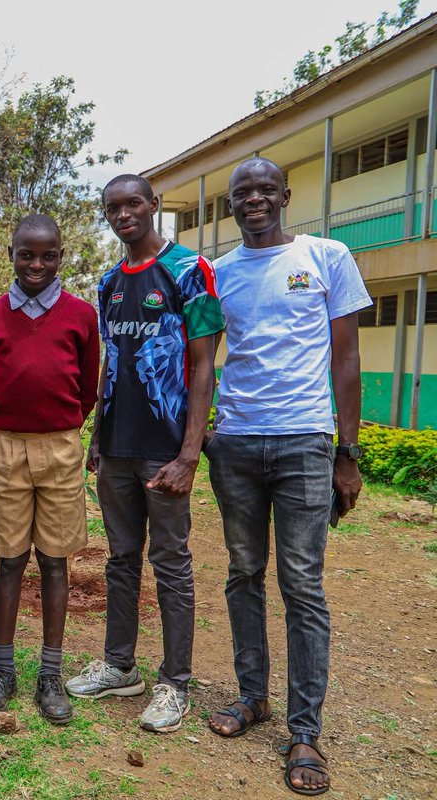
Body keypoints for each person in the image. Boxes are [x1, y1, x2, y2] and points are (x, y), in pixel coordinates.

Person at [206, 158, 369, 797]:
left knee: (301, 582)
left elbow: (348, 355)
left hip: (305, 440)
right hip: (237, 441)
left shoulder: (327, 256)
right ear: (231, 204)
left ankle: (305, 730)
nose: (253, 199)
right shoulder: (216, 274)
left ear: (284, 196)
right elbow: (201, 361)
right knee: (243, 571)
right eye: (241, 192)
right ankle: (253, 698)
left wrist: (346, 453)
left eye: (263, 189)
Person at [67, 174, 223, 734]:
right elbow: (113, 361)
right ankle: (118, 665)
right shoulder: (109, 282)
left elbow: (205, 365)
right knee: (119, 560)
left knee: (173, 564)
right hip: (118, 448)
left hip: (166, 452)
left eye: (133, 203)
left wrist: (188, 454)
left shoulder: (189, 271)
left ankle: (175, 684)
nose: (123, 213)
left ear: (153, 206)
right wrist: (97, 438)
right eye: (113, 207)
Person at [0, 214, 99, 723]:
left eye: (48, 255)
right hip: (5, 447)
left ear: (61, 257)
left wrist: (62, 431)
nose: (37, 264)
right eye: (27, 254)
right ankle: (3, 671)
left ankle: (50, 673)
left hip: (62, 447)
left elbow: (87, 389)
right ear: (11, 255)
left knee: (53, 561)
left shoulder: (80, 314)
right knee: (9, 560)